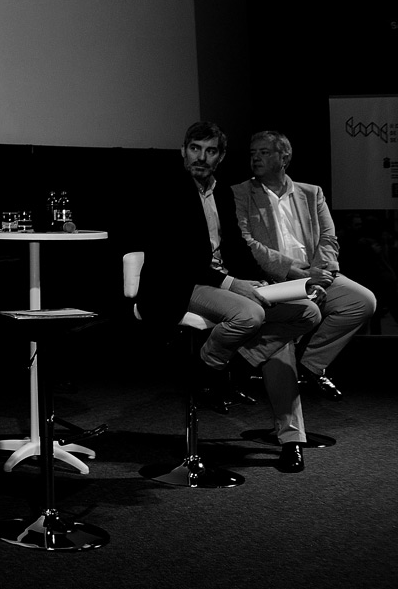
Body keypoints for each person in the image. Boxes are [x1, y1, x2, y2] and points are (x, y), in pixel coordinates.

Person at [135, 121, 321, 473]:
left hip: (224, 281)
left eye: (210, 151)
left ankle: (232, 369)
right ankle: (210, 370)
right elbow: (178, 261)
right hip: (180, 285)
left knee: (307, 312)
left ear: (220, 157)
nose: (201, 157)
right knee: (252, 317)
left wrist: (264, 281)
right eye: (195, 149)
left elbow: (236, 245)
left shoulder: (220, 192)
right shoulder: (165, 189)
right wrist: (234, 284)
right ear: (183, 151)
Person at [232, 131, 376, 399]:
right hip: (275, 277)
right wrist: (294, 273)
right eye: (253, 153)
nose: (256, 158)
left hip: (314, 272)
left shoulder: (311, 192)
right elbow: (247, 243)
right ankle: (245, 363)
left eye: (264, 152)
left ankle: (311, 365)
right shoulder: (241, 193)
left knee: (362, 301)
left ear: (284, 157)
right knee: (305, 310)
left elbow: (328, 238)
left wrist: (319, 274)